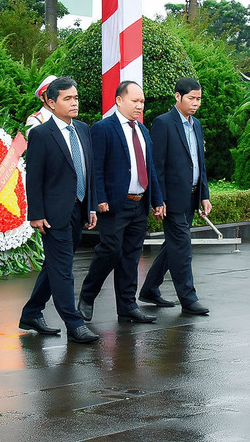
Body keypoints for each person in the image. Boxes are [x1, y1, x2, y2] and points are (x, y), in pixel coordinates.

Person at [19, 77, 100, 344]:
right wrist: (36, 214)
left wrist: (90, 206)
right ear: (51, 103)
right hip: (53, 213)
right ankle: (74, 323)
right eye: (68, 98)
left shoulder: (83, 130)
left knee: (55, 263)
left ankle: (31, 312)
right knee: (64, 267)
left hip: (78, 209)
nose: (74, 102)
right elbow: (34, 177)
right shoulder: (41, 134)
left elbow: (89, 172)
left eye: (75, 97)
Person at [78, 81, 165, 324]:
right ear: (119, 100)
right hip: (114, 204)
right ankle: (87, 296)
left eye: (142, 101)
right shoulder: (103, 128)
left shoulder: (142, 131)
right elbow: (96, 167)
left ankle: (127, 305)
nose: (140, 106)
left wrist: (157, 199)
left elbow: (151, 169)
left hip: (139, 204)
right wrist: (100, 198)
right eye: (134, 101)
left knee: (131, 255)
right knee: (110, 251)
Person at [139, 77, 211, 315]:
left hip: (191, 196)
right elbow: (156, 165)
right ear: (177, 97)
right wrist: (158, 200)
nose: (196, 103)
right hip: (172, 199)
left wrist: (204, 194)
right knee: (182, 247)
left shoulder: (197, 124)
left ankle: (149, 288)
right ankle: (188, 298)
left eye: (199, 99)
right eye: (191, 98)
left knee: (174, 245)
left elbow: (199, 163)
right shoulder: (163, 123)